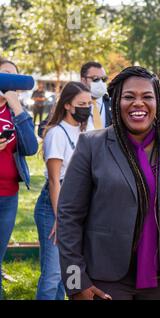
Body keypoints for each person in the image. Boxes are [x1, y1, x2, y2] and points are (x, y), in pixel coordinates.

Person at [57, 66, 160, 300]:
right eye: (129, 97)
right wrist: (76, 283)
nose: (138, 103)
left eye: (147, 97)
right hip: (105, 283)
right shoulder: (91, 146)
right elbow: (68, 217)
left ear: (159, 104)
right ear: (116, 102)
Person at [34, 81, 92, 300]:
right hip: (55, 206)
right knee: (53, 274)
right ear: (67, 105)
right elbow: (54, 182)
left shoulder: (86, 131)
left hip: (80, 206)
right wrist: (60, 219)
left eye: (89, 103)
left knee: (70, 272)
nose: (86, 107)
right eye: (81, 103)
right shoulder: (56, 134)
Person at [0, 59, 38, 300]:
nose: (9, 80)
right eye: (5, 75)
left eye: (14, 76)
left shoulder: (16, 112)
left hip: (8, 196)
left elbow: (31, 148)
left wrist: (16, 106)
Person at [80, 61, 112, 130]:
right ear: (83, 80)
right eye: (95, 79)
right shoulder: (74, 105)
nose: (100, 83)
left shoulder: (113, 105)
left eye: (104, 79)